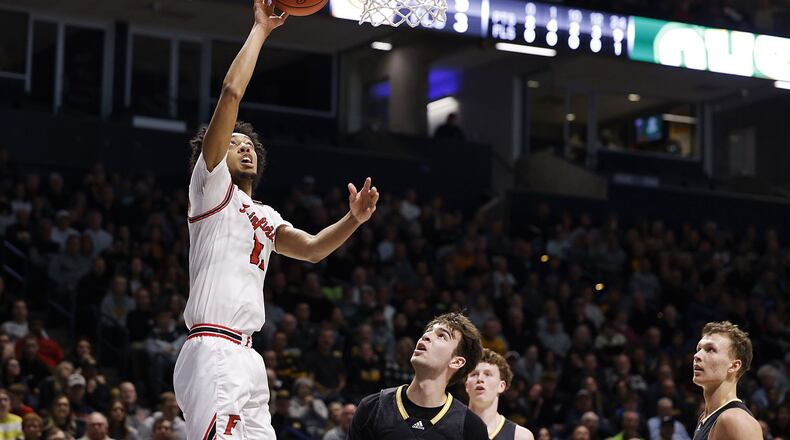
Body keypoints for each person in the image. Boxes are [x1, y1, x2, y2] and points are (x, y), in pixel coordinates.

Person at [172, 1, 380, 440]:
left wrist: (353, 219)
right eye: (232, 142)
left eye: (249, 144)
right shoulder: (210, 189)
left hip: (248, 357)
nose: (244, 147)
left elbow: (312, 249)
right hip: (212, 347)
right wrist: (261, 31)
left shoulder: (264, 214)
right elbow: (231, 93)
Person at [349, 312, 488, 439]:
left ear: (456, 361)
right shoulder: (372, 408)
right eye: (428, 332)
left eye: (441, 336)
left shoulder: (471, 428)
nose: (426, 336)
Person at [692, 321, 762, 439]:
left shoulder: (735, 419)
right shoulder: (705, 417)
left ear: (734, 366)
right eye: (699, 349)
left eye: (710, 350)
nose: (697, 356)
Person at [465, 349, 534, 439]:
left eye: (488, 374)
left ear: (501, 386)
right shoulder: (447, 427)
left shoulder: (520, 436)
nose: (480, 379)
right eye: (474, 374)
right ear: (466, 385)